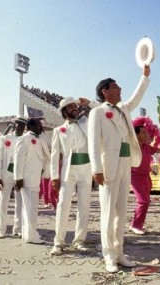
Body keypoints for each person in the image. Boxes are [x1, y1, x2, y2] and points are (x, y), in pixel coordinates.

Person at [88, 65, 151, 272]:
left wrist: (144, 76)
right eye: (115, 87)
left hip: (125, 163)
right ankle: (108, 256)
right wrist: (96, 168)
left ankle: (119, 252)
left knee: (121, 211)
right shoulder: (97, 113)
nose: (120, 89)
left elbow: (136, 96)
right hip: (108, 168)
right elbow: (94, 143)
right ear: (105, 91)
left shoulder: (124, 109)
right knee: (107, 211)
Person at [50, 97, 100, 255]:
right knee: (63, 205)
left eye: (75, 106)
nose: (74, 108)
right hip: (68, 171)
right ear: (64, 111)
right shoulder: (58, 130)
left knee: (84, 206)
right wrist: (54, 177)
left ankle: (79, 240)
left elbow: (102, 111)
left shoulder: (87, 123)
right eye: (70, 107)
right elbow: (54, 155)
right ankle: (58, 242)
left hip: (86, 169)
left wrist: (89, 103)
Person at [14, 118, 51, 244]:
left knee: (29, 208)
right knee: (31, 208)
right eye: (40, 125)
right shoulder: (24, 139)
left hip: (36, 177)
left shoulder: (41, 138)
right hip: (27, 178)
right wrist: (18, 178)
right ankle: (32, 235)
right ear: (32, 126)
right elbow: (18, 159)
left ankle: (27, 234)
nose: (41, 127)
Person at [129, 120, 160, 235]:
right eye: (143, 132)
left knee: (145, 201)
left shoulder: (146, 147)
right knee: (143, 201)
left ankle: (134, 223)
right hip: (135, 177)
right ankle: (136, 225)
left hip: (146, 176)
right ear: (136, 134)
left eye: (146, 132)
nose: (146, 134)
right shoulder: (131, 146)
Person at [0, 115, 28, 238]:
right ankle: (0, 229)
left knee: (19, 202)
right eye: (19, 125)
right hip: (6, 172)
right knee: (3, 201)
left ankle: (18, 228)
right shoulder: (4, 139)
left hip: (20, 173)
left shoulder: (26, 139)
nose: (21, 127)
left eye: (23, 126)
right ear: (14, 125)